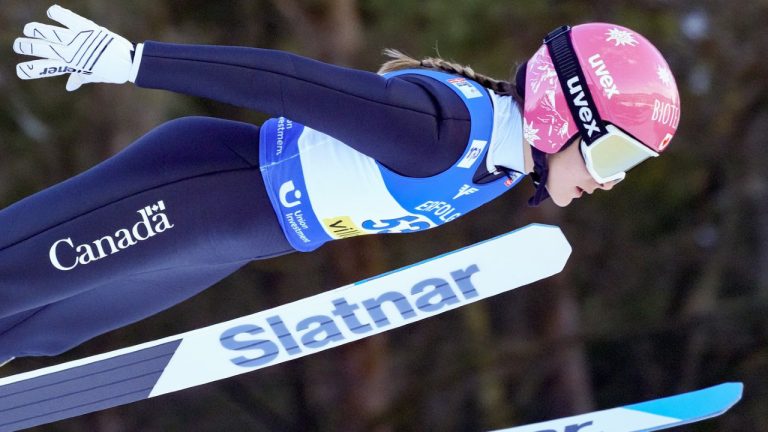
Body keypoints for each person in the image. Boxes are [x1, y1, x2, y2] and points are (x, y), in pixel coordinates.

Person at [0, 5, 680, 365]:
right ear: (567, 111)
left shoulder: (500, 167)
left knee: (43, 331)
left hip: (235, 237)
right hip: (201, 188)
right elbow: (288, 83)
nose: (611, 179)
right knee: (12, 280)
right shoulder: (443, 130)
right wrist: (133, 61)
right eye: (615, 150)